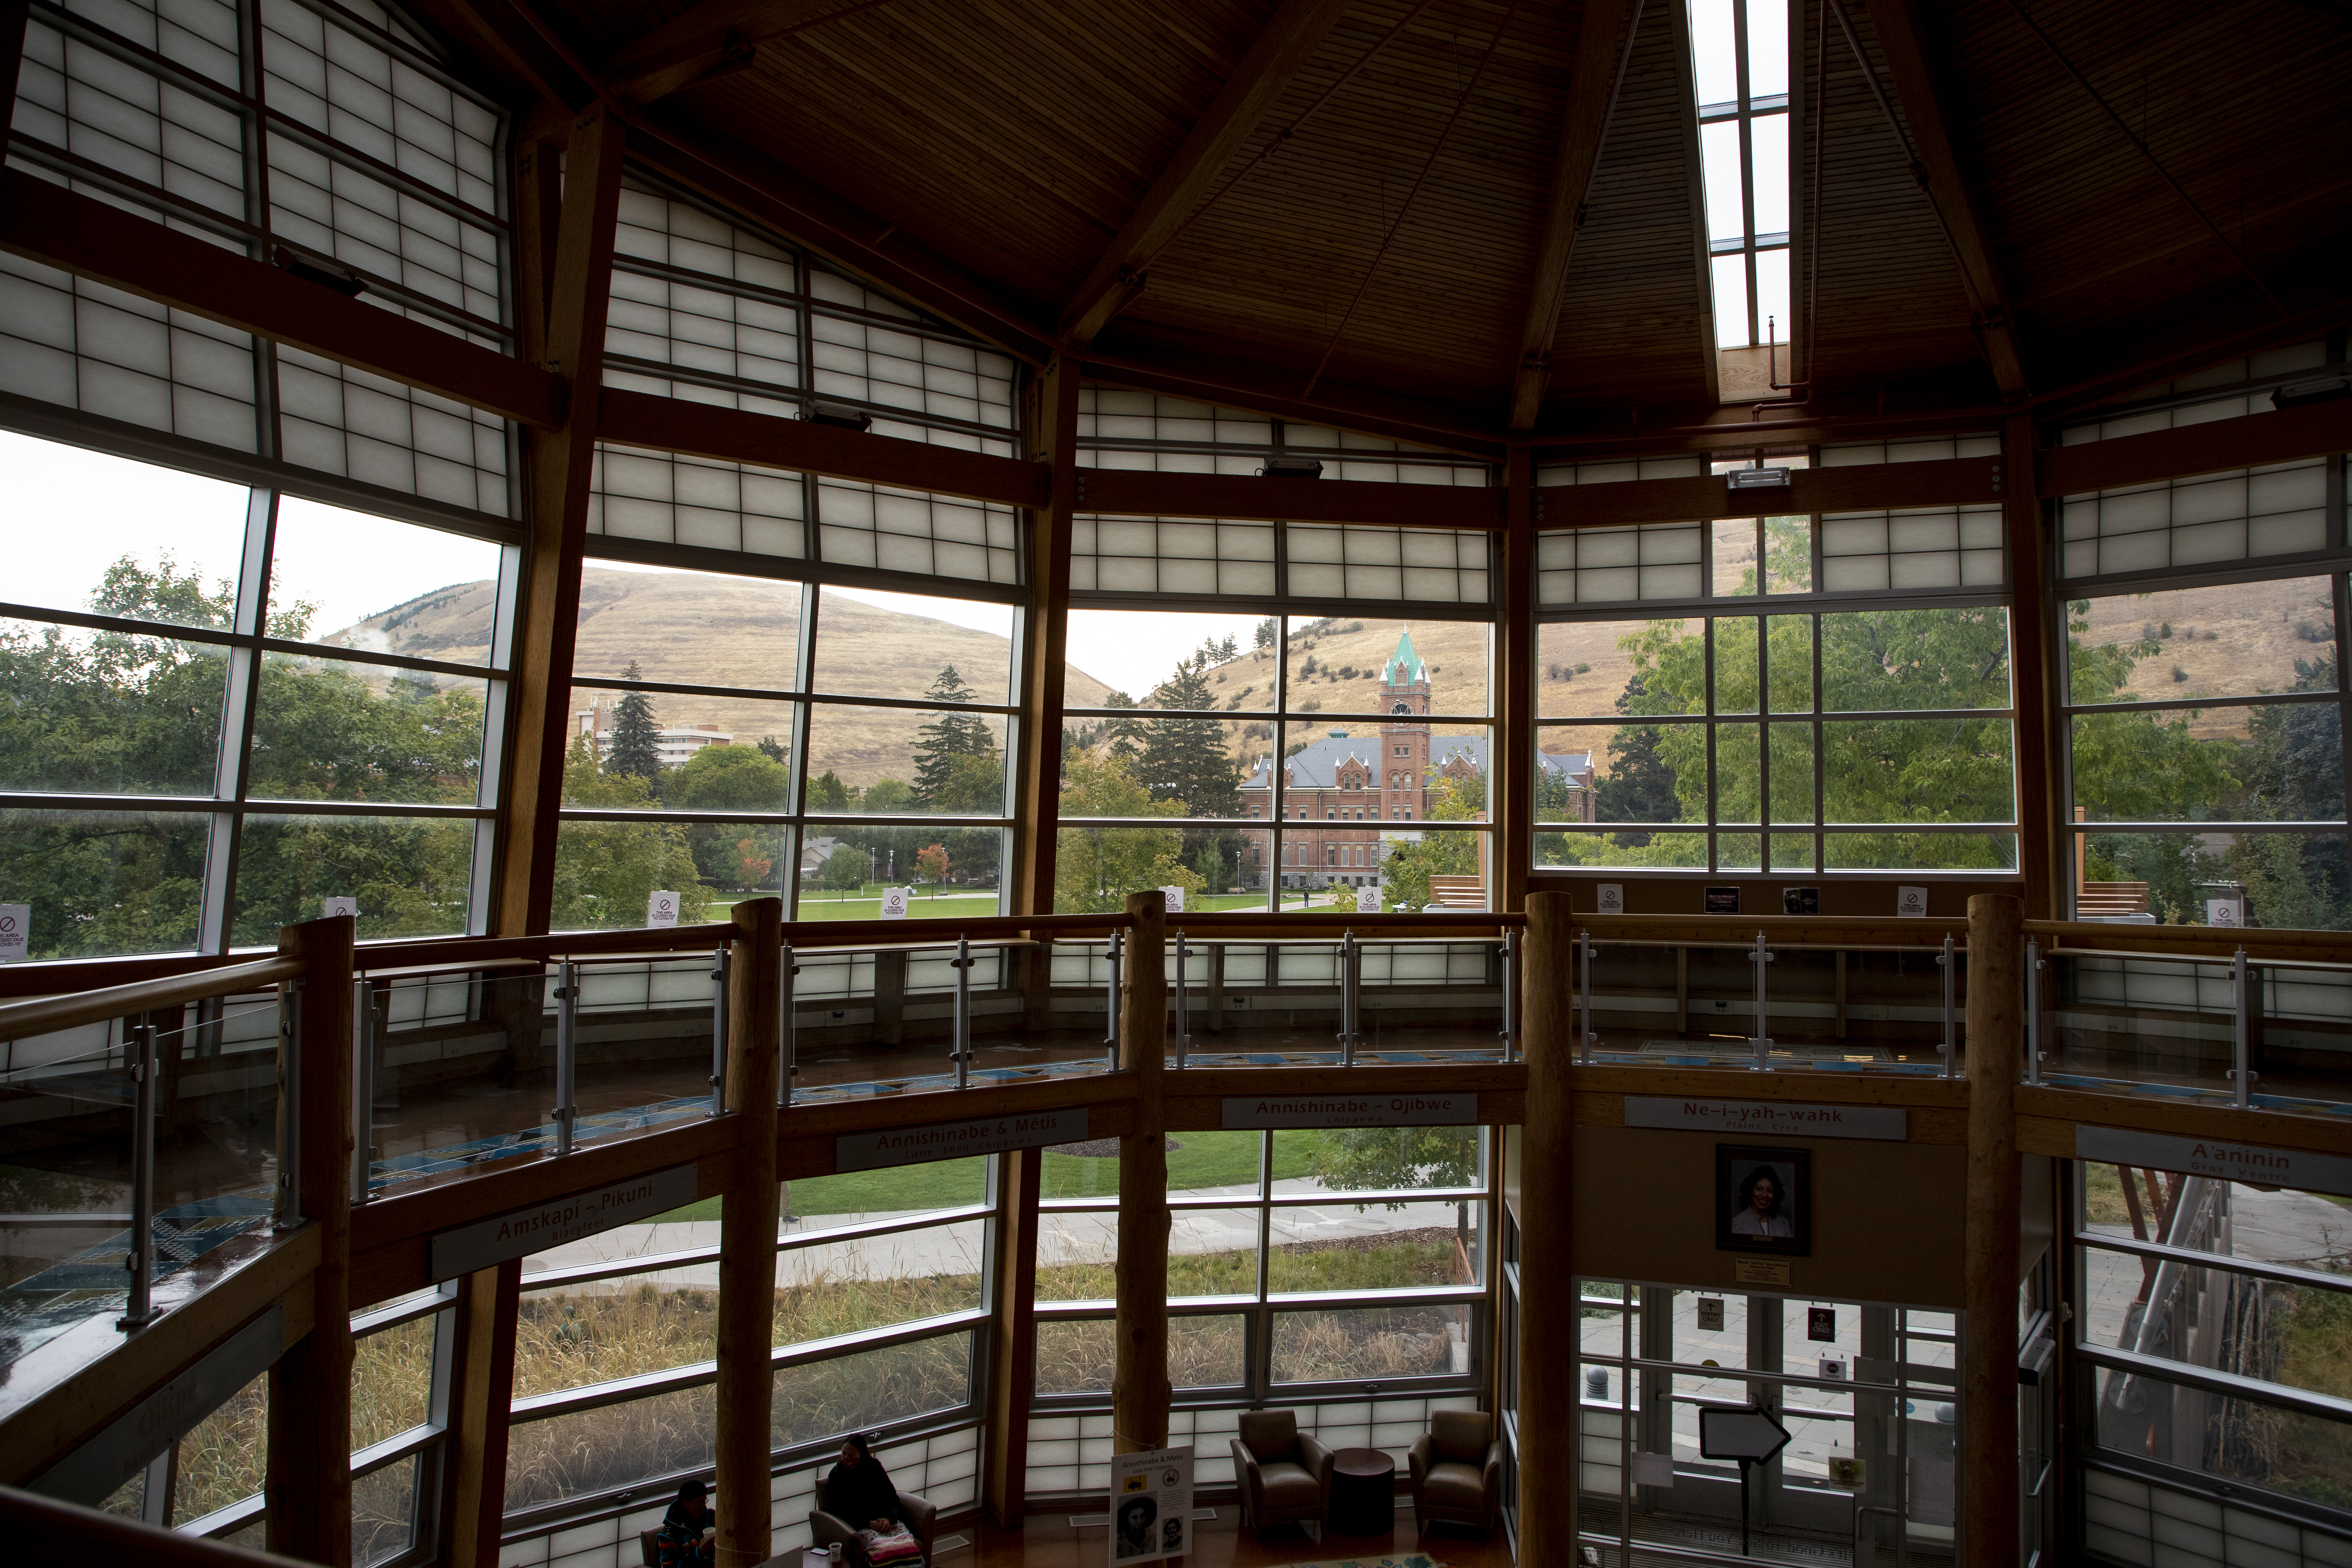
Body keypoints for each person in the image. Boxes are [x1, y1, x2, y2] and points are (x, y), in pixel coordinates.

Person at [823, 1432, 905, 1534]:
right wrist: (869, 1524)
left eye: (852, 1455)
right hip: (856, 1528)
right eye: (844, 1453)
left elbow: (891, 1496)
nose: (846, 1458)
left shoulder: (875, 1468)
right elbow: (839, 1512)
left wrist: (889, 1519)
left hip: (883, 1521)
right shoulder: (837, 1476)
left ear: (861, 1455)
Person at [656, 1479, 715, 1568]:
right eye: (699, 1503)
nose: (703, 1507)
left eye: (704, 1502)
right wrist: (699, 1553)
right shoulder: (669, 1536)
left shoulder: (712, 1517)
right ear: (685, 1502)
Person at [1730, 1166, 1793, 1238]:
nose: (1764, 1195)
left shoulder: (1783, 1224)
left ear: (1776, 1194)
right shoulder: (1737, 1224)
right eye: (1759, 1189)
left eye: (1770, 1191)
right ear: (1750, 1190)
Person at [1114, 1495, 1157, 1560]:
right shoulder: (1120, 1546)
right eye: (1135, 1518)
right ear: (1127, 1521)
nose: (1140, 1521)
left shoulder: (1154, 1540)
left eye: (1142, 1516)